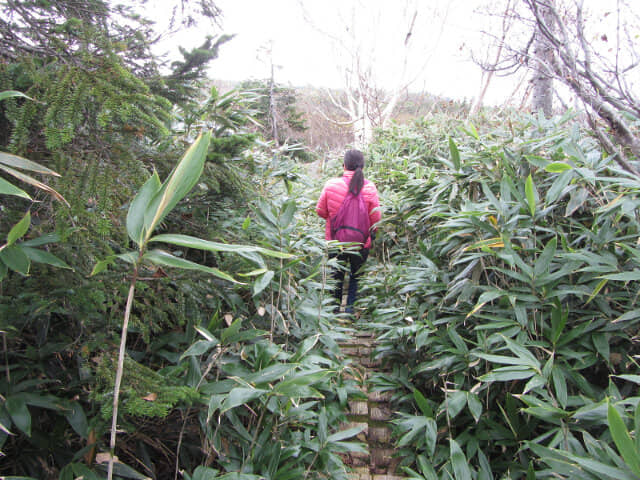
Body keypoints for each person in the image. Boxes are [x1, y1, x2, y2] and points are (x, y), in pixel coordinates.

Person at [316, 149, 381, 313]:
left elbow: (320, 211)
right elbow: (376, 219)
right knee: (355, 277)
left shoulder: (331, 185)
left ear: (344, 165)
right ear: (363, 166)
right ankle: (350, 312)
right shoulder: (370, 188)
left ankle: (334, 312)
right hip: (361, 243)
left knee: (336, 277)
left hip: (335, 241)